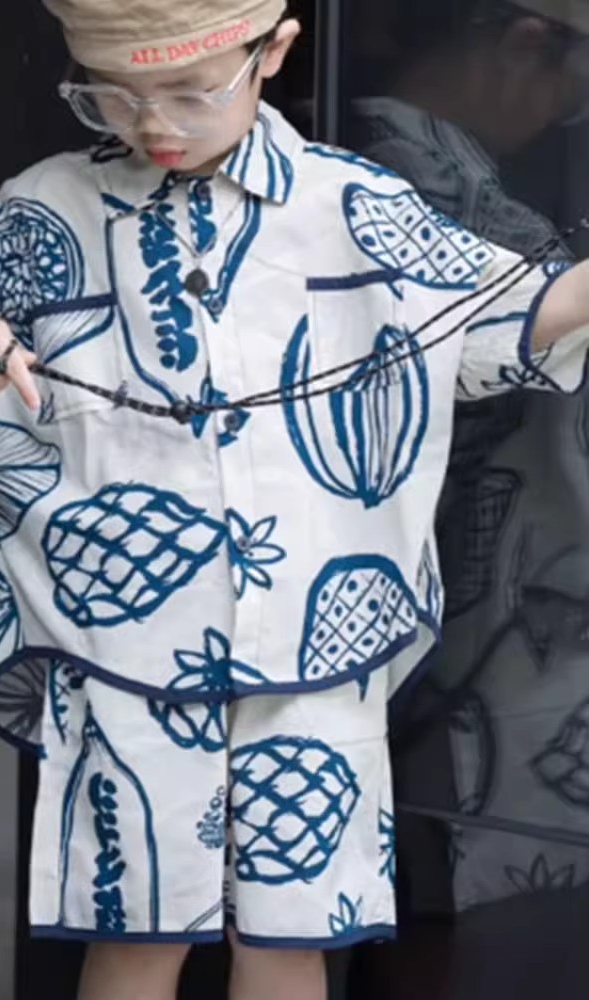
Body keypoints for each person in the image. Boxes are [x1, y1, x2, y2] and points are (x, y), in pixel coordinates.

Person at [0, 2, 589, 998]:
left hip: (320, 639)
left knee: (292, 937)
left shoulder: (353, 204)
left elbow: (498, 317)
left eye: (190, 93)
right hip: (124, 645)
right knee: (137, 932)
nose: (153, 123)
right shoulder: (52, 206)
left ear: (272, 52)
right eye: (114, 96)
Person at [351, 0, 589, 925]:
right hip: (476, 596)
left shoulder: (392, 162)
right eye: (576, 92)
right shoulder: (414, 176)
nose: (568, 118)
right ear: (528, 48)